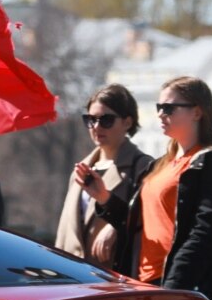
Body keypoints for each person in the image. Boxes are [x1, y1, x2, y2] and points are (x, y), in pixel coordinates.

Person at [90, 76, 212, 300]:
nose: (160, 115)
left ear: (197, 112)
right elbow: (137, 223)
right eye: (158, 108)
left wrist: (174, 288)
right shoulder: (160, 165)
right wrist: (105, 198)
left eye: (169, 108)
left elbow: (206, 232)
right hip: (144, 285)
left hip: (183, 288)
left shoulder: (211, 162)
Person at [55, 84, 153, 267]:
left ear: (127, 122)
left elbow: (150, 222)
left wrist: (115, 228)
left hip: (114, 280)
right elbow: (65, 233)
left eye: (106, 120)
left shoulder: (143, 167)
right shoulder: (81, 170)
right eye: (90, 120)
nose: (97, 127)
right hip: (71, 280)